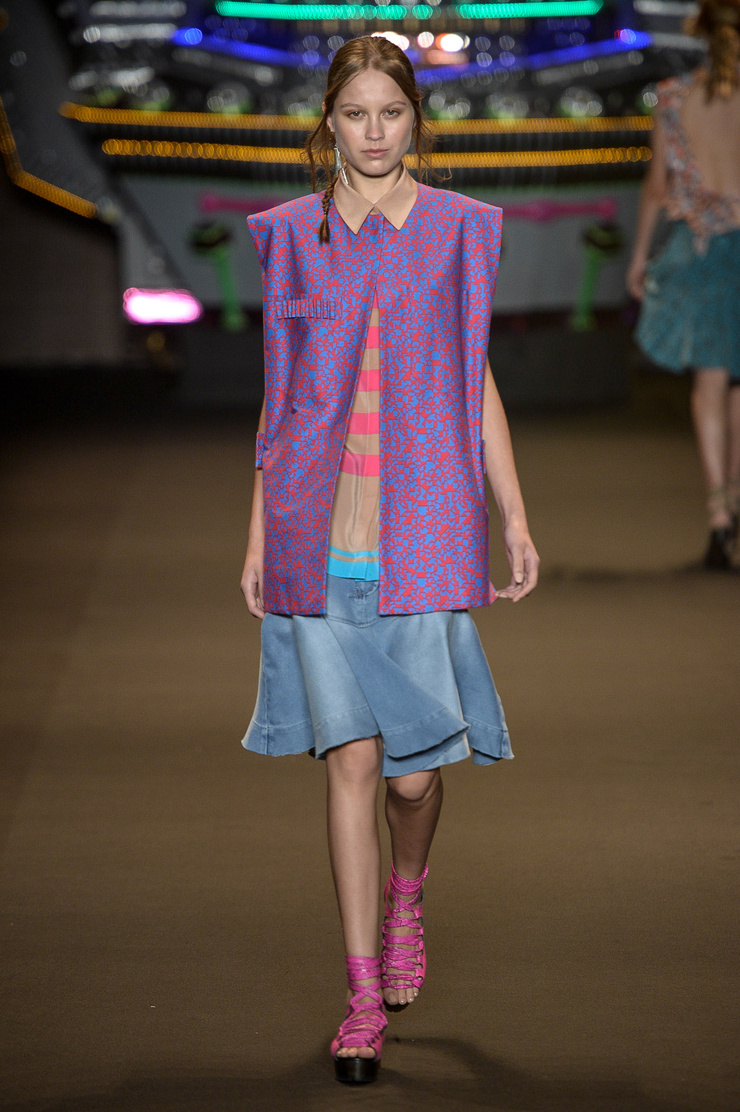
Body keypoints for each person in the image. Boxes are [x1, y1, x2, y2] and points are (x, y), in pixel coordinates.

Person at [240, 35, 539, 1085]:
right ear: (327, 121)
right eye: (355, 113)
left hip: (422, 526)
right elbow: (280, 396)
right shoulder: (289, 234)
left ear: (416, 118)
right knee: (352, 764)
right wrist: (257, 533)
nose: (373, 132)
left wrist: (512, 514)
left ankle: (407, 893)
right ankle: (362, 994)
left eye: (391, 112)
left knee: (412, 778)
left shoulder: (459, 228)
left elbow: (474, 376)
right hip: (317, 533)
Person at [626, 0, 740, 570]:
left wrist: (639, 257)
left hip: (700, 251)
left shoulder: (674, 98)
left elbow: (657, 186)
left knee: (709, 381)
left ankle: (719, 513)